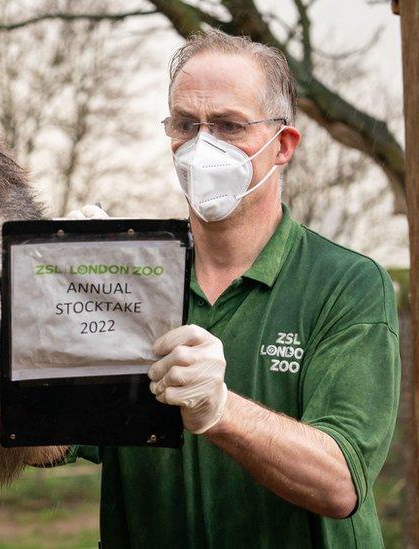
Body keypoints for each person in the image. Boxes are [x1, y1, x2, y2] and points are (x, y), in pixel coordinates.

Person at [58, 30, 400, 547]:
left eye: (229, 125)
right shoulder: (135, 280)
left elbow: (341, 483)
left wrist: (220, 410)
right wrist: (43, 302)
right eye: (185, 124)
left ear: (283, 145)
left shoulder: (346, 284)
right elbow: (48, 440)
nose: (202, 146)